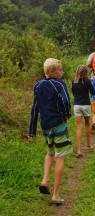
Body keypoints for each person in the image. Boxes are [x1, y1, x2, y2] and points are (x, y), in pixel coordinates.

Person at [28, 58, 72, 205]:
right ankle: (55, 194)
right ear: (51, 72)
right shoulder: (60, 84)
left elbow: (35, 108)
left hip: (45, 126)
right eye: (60, 70)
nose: (62, 72)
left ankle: (45, 180)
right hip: (58, 124)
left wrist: (32, 130)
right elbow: (65, 101)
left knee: (50, 153)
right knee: (60, 157)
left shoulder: (38, 85)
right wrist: (67, 114)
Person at [72, 65, 95, 158]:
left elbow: (73, 93)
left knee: (78, 127)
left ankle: (79, 150)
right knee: (87, 124)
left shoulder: (74, 81)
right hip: (86, 104)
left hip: (77, 105)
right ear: (85, 73)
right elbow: (93, 92)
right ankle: (88, 145)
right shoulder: (87, 81)